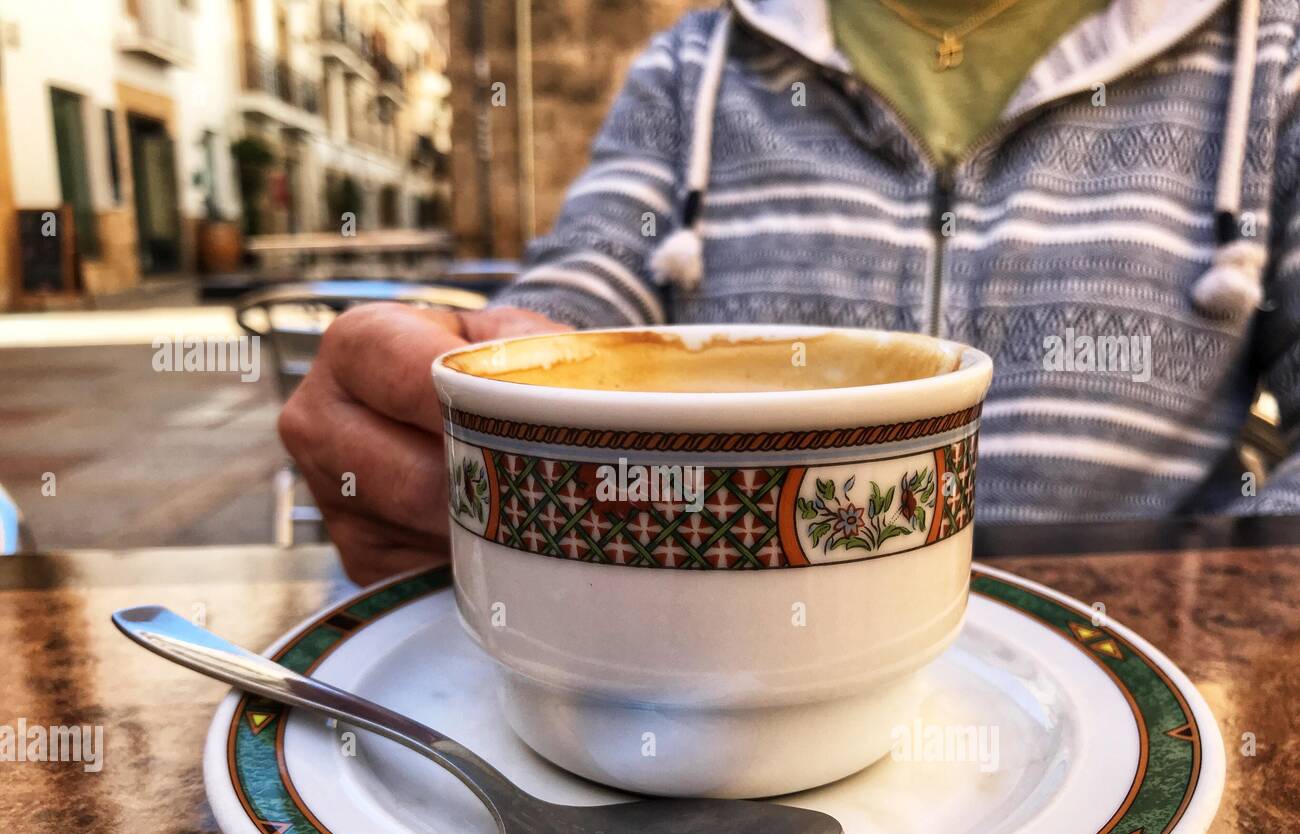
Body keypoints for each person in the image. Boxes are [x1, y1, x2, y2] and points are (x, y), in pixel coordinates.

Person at [280, 0, 1300, 586]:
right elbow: (587, 288)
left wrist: (1208, 594)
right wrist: (460, 373)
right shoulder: (696, 64)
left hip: (1128, 672)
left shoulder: (1274, 59)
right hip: (706, 666)